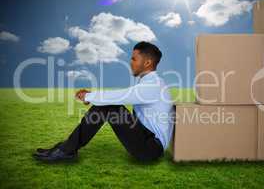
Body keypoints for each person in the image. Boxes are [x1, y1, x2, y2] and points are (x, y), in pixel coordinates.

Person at [33, 41, 175, 162]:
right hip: (146, 139)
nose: (130, 63)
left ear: (147, 62)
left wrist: (89, 96)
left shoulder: (153, 85)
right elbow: (123, 96)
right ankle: (66, 148)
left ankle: (66, 150)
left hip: (151, 148)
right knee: (108, 105)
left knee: (109, 107)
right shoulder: (151, 83)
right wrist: (92, 97)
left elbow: (121, 96)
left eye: (134, 59)